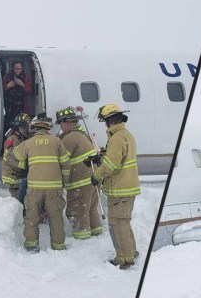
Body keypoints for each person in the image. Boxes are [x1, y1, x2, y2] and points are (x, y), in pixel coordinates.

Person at [91, 104, 140, 269]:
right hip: (127, 186)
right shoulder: (125, 135)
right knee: (124, 222)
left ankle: (124, 259)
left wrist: (96, 175)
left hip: (119, 188)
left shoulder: (117, 138)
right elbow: (118, 158)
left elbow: (111, 165)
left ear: (109, 121)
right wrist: (102, 156)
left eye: (104, 121)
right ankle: (131, 252)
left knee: (117, 224)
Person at [13, 114, 71, 253]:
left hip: (34, 187)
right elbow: (66, 163)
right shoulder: (57, 141)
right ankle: (58, 246)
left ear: (34, 128)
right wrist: (63, 182)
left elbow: (16, 156)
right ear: (48, 128)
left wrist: (25, 164)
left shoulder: (28, 143)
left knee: (32, 217)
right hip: (54, 187)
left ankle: (32, 245)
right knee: (55, 217)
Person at [56, 107, 101, 240]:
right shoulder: (82, 136)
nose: (61, 127)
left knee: (76, 211)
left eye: (61, 124)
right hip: (93, 180)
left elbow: (60, 160)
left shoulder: (70, 138)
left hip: (81, 182)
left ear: (67, 123)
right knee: (91, 209)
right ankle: (96, 233)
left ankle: (82, 239)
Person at [1, 113, 31, 202]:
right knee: (19, 202)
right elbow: (10, 160)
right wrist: (26, 165)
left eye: (27, 126)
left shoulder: (27, 138)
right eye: (23, 127)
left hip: (21, 175)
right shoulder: (12, 140)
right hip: (13, 178)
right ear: (18, 127)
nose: (26, 129)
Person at [3, 61, 33, 127]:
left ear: (22, 68)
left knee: (22, 124)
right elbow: (0, 91)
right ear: (13, 68)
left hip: (22, 106)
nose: (17, 71)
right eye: (15, 69)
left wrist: (22, 84)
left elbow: (30, 91)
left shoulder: (25, 77)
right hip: (9, 106)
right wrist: (8, 86)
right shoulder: (7, 76)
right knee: (9, 124)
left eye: (19, 69)